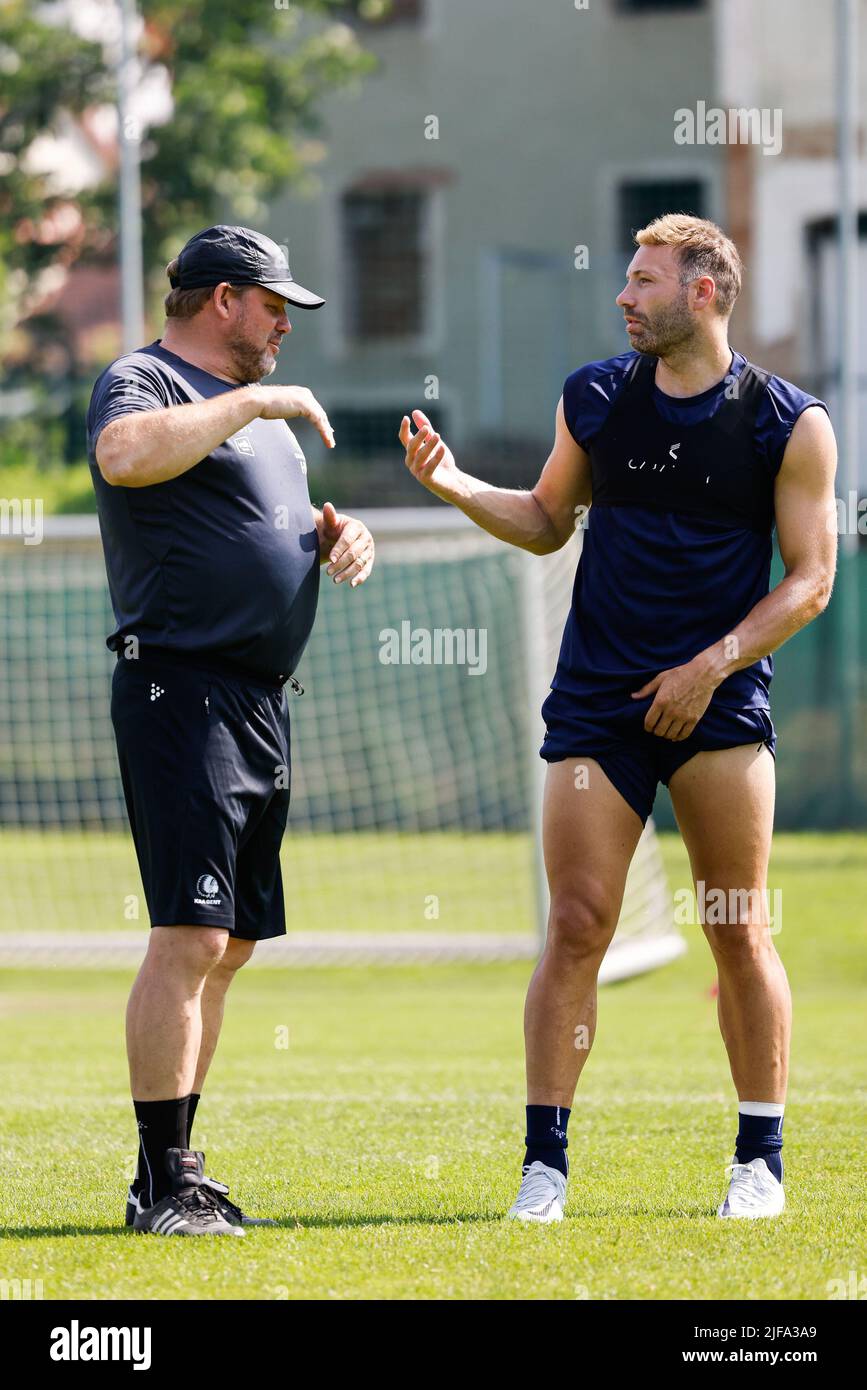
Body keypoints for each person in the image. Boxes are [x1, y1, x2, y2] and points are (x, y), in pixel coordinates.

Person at [399, 214, 837, 1223]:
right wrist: (458, 483)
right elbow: (551, 522)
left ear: (706, 293)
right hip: (601, 700)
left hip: (721, 698)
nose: (624, 296)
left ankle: (758, 1162)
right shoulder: (594, 397)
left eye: (645, 282)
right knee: (579, 925)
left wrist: (712, 664)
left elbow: (812, 581)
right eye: (627, 280)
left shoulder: (788, 422)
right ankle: (543, 1170)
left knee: (737, 925)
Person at [86, 225, 375, 1236]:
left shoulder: (265, 423)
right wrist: (252, 401)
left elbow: (259, 524)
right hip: (181, 690)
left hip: (257, 701)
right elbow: (122, 458)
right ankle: (166, 1183)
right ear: (220, 300)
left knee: (233, 944)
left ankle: (167, 1170)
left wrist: (336, 537)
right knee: (192, 931)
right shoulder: (146, 380)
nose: (285, 324)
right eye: (272, 303)